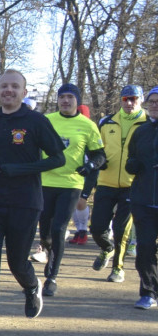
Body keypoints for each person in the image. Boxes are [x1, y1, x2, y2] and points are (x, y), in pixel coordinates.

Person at [0, 69, 65, 336]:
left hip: (25, 201)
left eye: (14, 86)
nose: (8, 91)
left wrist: (21, 169)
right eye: (3, 87)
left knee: (16, 261)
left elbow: (58, 158)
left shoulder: (36, 121)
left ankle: (32, 284)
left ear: (24, 92)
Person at [37, 84, 105, 296]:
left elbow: (100, 156)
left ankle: (52, 277)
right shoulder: (46, 121)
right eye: (62, 97)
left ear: (77, 100)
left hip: (71, 184)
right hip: (45, 182)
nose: (65, 101)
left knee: (59, 228)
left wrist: (90, 166)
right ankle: (48, 251)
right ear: (57, 100)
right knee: (45, 234)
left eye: (70, 97)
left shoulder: (87, 125)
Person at [89, 85, 147, 283]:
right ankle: (107, 248)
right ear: (120, 101)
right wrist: (99, 161)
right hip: (106, 182)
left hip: (133, 185)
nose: (129, 103)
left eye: (133, 99)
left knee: (121, 230)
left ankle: (118, 268)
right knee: (96, 228)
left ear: (141, 100)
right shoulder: (107, 122)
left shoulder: (148, 123)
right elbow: (97, 149)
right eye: (125, 99)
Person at [124, 87, 158, 309]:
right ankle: (148, 291)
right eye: (152, 101)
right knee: (145, 247)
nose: (154, 105)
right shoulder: (141, 131)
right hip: (143, 199)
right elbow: (131, 160)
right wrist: (132, 165)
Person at [69, 103, 94, 245]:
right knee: (73, 203)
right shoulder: (71, 132)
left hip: (88, 174)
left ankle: (83, 230)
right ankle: (78, 230)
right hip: (72, 175)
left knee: (81, 202)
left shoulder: (90, 131)